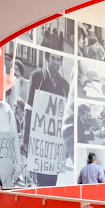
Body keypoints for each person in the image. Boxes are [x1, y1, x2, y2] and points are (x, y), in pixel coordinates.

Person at [23, 51, 70, 186]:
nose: (56, 62)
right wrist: (26, 140)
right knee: (40, 182)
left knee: (52, 183)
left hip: (55, 145)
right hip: (38, 142)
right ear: (47, 59)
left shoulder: (65, 85)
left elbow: (66, 118)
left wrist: (66, 146)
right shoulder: (37, 76)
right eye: (53, 58)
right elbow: (29, 108)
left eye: (59, 59)